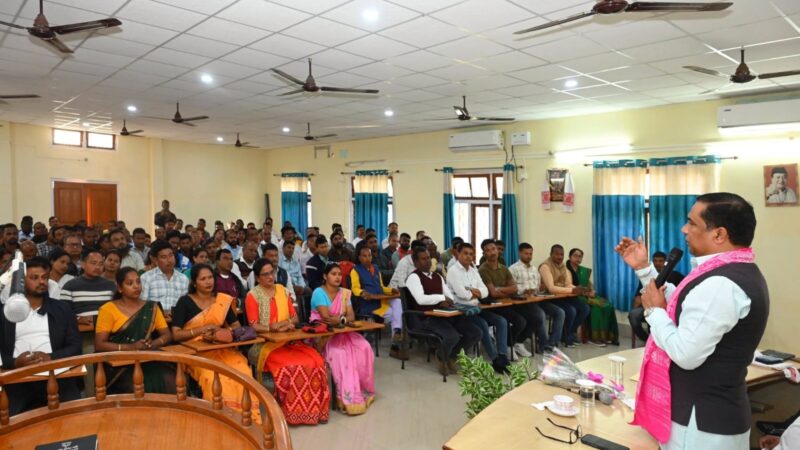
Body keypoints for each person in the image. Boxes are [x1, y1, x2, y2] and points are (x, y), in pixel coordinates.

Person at [616, 192, 768, 449]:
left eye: (692, 223)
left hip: (701, 426)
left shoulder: (721, 283)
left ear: (719, 234)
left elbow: (686, 354)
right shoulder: (735, 271)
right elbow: (684, 304)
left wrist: (653, 312)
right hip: (713, 417)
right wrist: (644, 270)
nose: (684, 229)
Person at [171, 264, 261, 422]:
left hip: (221, 347)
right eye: (203, 279)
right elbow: (176, 334)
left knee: (243, 371)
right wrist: (201, 330)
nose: (208, 282)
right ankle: (223, 419)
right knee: (213, 378)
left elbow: (236, 327)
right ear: (194, 283)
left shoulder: (222, 300)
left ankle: (248, 418)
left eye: (210, 277)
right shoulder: (184, 302)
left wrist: (219, 333)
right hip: (197, 353)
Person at [245, 259, 330, 425]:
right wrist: (272, 328)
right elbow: (253, 325)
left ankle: (315, 411)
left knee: (317, 361)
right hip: (266, 345)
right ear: (257, 278)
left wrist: (283, 325)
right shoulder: (252, 295)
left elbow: (295, 318)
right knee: (292, 366)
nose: (270, 277)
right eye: (265, 274)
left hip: (289, 340)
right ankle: (292, 412)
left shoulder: (283, 291)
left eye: (272, 272)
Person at [0, 257, 81, 415]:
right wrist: (15, 362)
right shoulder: (6, 311)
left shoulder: (62, 309)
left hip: (55, 374)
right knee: (12, 420)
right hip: (17, 377)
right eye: (34, 278)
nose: (41, 282)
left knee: (74, 416)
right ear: (22, 282)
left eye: (44, 277)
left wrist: (51, 357)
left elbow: (75, 346)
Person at [94, 267, 174, 393]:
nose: (136, 286)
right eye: (130, 283)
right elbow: (99, 345)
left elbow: (167, 335)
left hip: (148, 359)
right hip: (120, 365)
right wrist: (131, 347)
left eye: (138, 282)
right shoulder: (108, 309)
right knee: (137, 385)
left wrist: (153, 344)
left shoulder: (151, 307)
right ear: (120, 288)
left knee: (171, 380)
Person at [310, 262, 375, 415]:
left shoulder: (345, 293)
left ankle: (364, 390)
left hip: (344, 332)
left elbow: (351, 316)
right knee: (340, 353)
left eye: (339, 274)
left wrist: (341, 320)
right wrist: (342, 319)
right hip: (325, 336)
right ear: (325, 276)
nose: (337, 277)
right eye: (333, 274)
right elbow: (326, 318)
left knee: (364, 347)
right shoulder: (319, 292)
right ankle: (345, 397)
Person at [405, 246, 482, 375]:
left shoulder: (437, 276)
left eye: (428, 258)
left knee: (475, 333)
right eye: (423, 259)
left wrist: (446, 300)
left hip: (445, 314)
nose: (428, 261)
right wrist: (441, 298)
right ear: (415, 261)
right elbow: (421, 300)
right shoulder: (414, 277)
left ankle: (451, 355)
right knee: (452, 336)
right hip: (425, 318)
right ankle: (441, 356)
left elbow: (450, 296)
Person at [447, 243, 510, 373]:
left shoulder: (473, 270)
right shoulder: (453, 271)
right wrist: (476, 292)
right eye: (465, 253)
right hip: (462, 311)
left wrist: (472, 291)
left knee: (501, 321)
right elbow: (462, 294)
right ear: (458, 254)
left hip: (476, 307)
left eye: (471, 254)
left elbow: (485, 291)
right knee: (483, 324)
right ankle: (495, 359)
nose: (468, 256)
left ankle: (502, 356)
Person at [350, 245, 405, 359]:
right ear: (359, 258)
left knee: (397, 302)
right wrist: (363, 293)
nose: (368, 258)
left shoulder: (375, 268)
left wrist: (391, 290)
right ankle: (396, 343)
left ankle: (397, 334)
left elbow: (381, 287)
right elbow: (354, 288)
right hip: (369, 303)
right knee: (393, 314)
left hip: (381, 299)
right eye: (364, 256)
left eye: (369, 255)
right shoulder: (355, 270)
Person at [478, 241, 532, 358]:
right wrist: (505, 290)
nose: (492, 252)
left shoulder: (504, 268)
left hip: (507, 303)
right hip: (493, 306)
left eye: (493, 249)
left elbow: (514, 288)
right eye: (488, 250)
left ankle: (515, 343)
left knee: (533, 317)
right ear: (484, 254)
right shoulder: (483, 270)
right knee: (519, 321)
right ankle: (507, 346)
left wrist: (499, 289)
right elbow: (493, 293)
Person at [508, 243, 565, 352]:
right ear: (520, 253)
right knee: (540, 314)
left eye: (530, 254)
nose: (529, 256)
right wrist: (523, 290)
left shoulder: (534, 269)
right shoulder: (513, 269)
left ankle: (552, 343)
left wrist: (541, 288)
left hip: (537, 299)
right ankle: (543, 345)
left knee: (560, 312)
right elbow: (511, 288)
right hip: (522, 302)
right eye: (526, 253)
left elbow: (538, 287)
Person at [539, 244, 590, 348]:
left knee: (585, 308)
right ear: (551, 254)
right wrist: (573, 290)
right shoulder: (545, 266)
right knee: (571, 310)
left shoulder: (562, 266)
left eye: (562, 254)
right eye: (557, 254)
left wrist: (579, 289)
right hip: (548, 298)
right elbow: (551, 288)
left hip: (561, 296)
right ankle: (560, 339)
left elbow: (567, 284)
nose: (560, 257)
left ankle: (569, 333)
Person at [566, 248, 619, 346]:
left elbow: (589, 284)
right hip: (575, 296)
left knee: (608, 306)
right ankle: (593, 337)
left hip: (587, 295)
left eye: (580, 256)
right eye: (575, 256)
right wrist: (587, 293)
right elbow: (568, 287)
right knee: (596, 308)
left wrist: (592, 290)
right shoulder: (566, 270)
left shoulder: (583, 270)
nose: (578, 258)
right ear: (570, 257)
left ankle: (607, 336)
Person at [629, 251, 685, 343]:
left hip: (670, 306)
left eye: (660, 261)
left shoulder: (676, 275)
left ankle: (660, 341)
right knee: (633, 315)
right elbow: (638, 296)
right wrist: (635, 307)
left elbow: (685, 291)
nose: (657, 263)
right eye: (655, 261)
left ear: (665, 262)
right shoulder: (647, 277)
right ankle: (647, 340)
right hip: (649, 305)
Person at [60, 248, 117, 319]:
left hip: (106, 324)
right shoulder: (70, 286)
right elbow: (63, 313)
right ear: (83, 264)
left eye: (101, 264)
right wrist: (78, 319)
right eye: (94, 263)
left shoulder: (111, 286)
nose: (98, 267)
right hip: (80, 325)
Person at [140, 240, 190, 312]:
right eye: (164, 257)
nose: (169, 260)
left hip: (176, 317)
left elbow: (185, 306)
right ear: (156, 260)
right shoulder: (146, 278)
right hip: (156, 317)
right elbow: (142, 305)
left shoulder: (183, 279)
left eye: (171, 255)